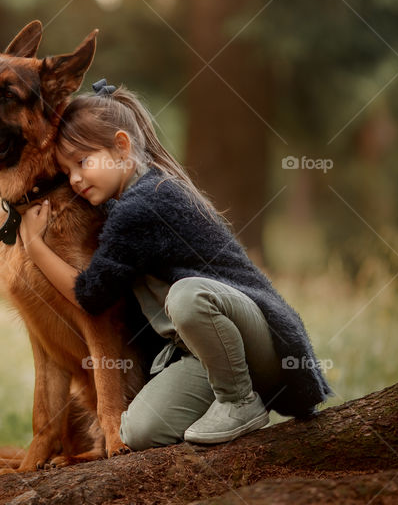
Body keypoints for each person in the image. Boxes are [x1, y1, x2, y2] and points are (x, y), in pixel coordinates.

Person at [17, 79, 332, 450]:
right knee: (137, 432)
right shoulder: (126, 201)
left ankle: (239, 403)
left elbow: (90, 295)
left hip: (258, 342)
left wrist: (35, 247)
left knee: (188, 296)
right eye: (66, 170)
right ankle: (226, 404)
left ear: (122, 146)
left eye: (83, 162)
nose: (75, 179)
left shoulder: (149, 202)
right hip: (206, 355)